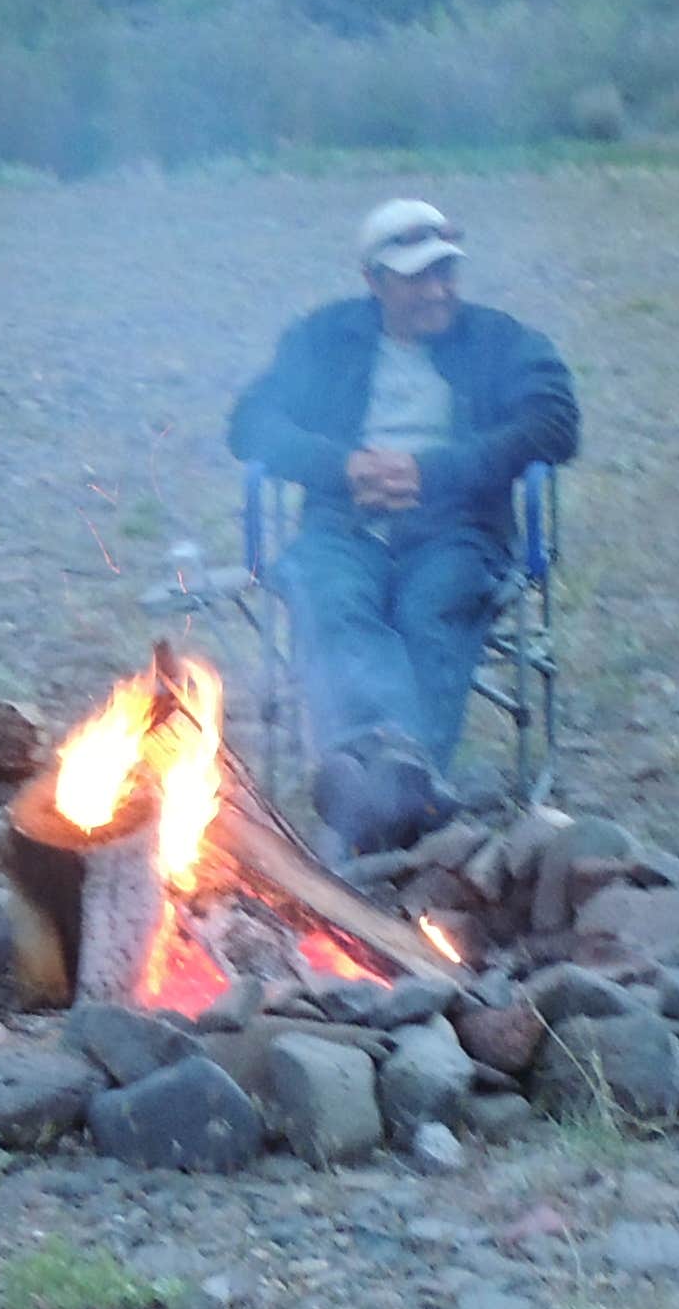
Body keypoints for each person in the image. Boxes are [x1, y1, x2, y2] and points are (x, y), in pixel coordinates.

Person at [226, 199, 581, 853]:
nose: (438, 290)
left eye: (446, 272)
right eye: (417, 277)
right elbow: (251, 423)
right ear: (374, 280)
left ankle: (377, 798)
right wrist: (342, 466)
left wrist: (437, 470)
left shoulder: (498, 341)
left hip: (459, 526)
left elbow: (556, 422)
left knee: (431, 606)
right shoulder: (324, 339)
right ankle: (396, 787)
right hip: (346, 521)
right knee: (333, 598)